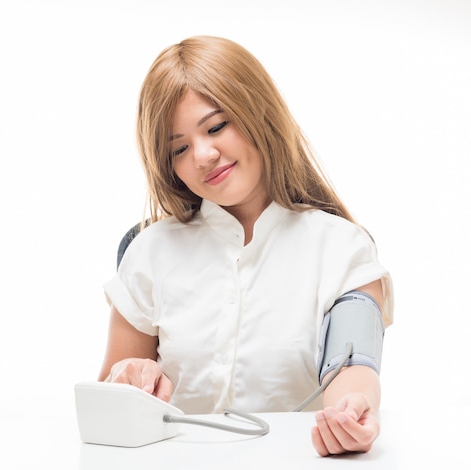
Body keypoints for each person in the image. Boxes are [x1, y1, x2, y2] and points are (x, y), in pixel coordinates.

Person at [98, 35, 394, 456]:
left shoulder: (341, 247)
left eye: (216, 126)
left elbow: (353, 370)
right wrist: (127, 376)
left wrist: (353, 412)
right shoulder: (148, 252)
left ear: (260, 112)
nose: (202, 155)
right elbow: (109, 396)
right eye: (179, 148)